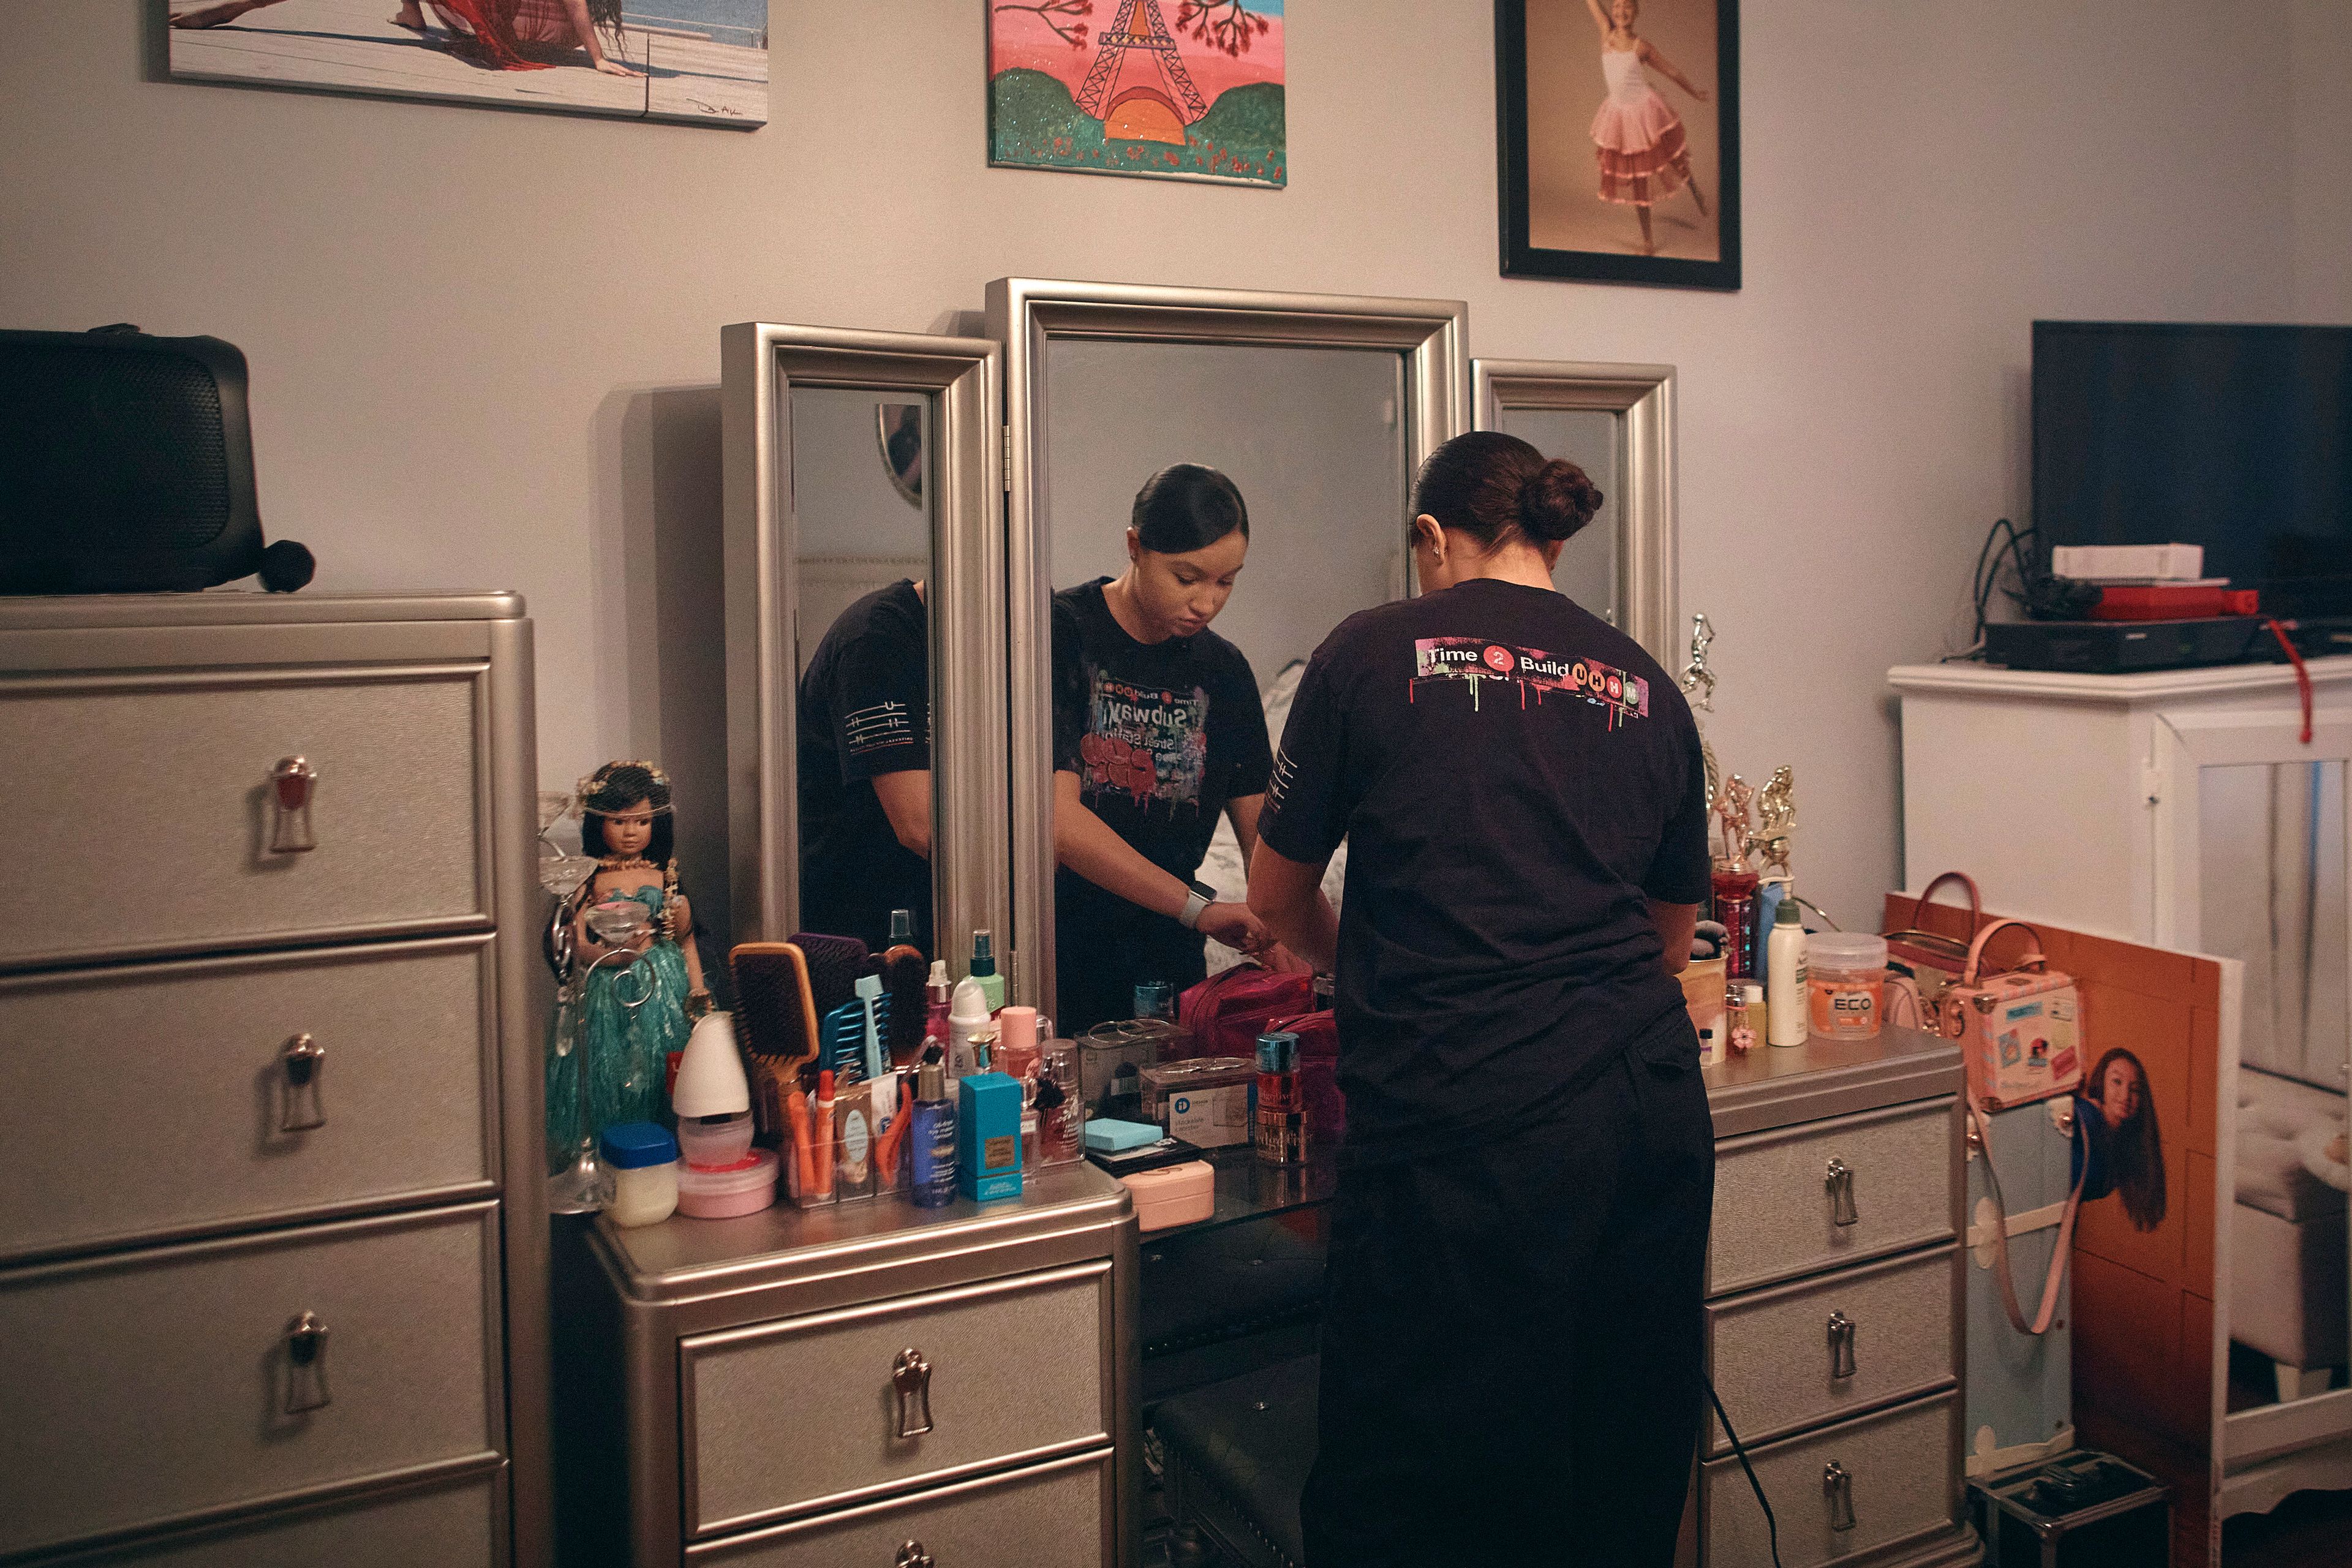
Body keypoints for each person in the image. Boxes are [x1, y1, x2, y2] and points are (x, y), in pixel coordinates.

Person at [1248, 431, 1714, 1566]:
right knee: (1618, 1464)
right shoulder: (1646, 683)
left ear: (1431, 537)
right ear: (1553, 536)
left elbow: (1272, 898)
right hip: (1649, 1115)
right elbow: (1668, 938)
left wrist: (1359, 962)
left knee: (1421, 1488)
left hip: (1474, 1125)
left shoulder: (1366, 654)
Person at [1052, 464, 1286, 1033]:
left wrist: (1284, 931)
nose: (1206, 603)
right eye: (1187, 578)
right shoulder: (1061, 631)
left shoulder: (1225, 671)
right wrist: (1197, 907)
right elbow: (1056, 820)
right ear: (1135, 547)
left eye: (1226, 582)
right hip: (1056, 949)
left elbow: (1264, 835)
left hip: (1168, 963)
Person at [548, 761, 704, 1167]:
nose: (631, 832)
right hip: (608, 988)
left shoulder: (664, 874)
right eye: (619, 821)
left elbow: (685, 939)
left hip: (663, 981)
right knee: (610, 1071)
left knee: (664, 1065)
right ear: (598, 823)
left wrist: (698, 990)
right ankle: (611, 1154)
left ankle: (666, 1148)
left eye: (641, 821)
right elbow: (572, 939)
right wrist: (602, 957)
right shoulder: (591, 876)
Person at [798, 578, 935, 956]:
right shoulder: (876, 640)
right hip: (854, 913)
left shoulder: (961, 651)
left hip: (911, 900)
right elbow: (918, 826)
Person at [172, 0, 645, 77]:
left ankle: (233, 7)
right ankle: (412, 12)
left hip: (513, 13)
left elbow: (578, 4)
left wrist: (599, 58)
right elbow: (579, 6)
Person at [1585, 0, 1709, 257]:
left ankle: (1694, 187)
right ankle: (1648, 241)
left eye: (1628, 7)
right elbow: (1593, 4)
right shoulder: (1606, 33)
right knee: (1639, 178)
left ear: (1636, 12)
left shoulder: (1641, 47)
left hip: (1646, 112)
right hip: (1620, 117)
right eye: (1617, 6)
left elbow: (1671, 71)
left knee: (1672, 158)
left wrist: (1695, 93)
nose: (1621, 12)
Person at [2075, 1046, 2167, 1232]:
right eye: (2117, 1082)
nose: (2126, 1096)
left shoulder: (2124, 1148)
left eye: (2135, 1090)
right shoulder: (2084, 1116)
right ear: (2102, 1083)